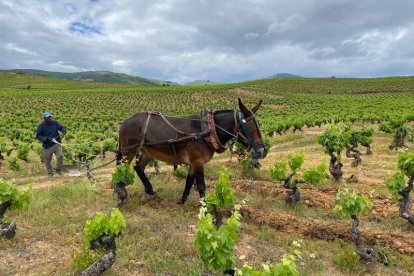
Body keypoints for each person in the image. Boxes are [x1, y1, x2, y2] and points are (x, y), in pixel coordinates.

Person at [36, 112, 67, 176]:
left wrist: (63, 129)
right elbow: (38, 136)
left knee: (60, 156)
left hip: (56, 144)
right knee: (47, 161)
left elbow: (61, 127)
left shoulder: (55, 123)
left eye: (50, 117)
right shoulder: (41, 126)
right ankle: (50, 173)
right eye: (48, 117)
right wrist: (46, 138)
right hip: (47, 146)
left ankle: (59, 170)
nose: (49, 118)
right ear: (44, 118)